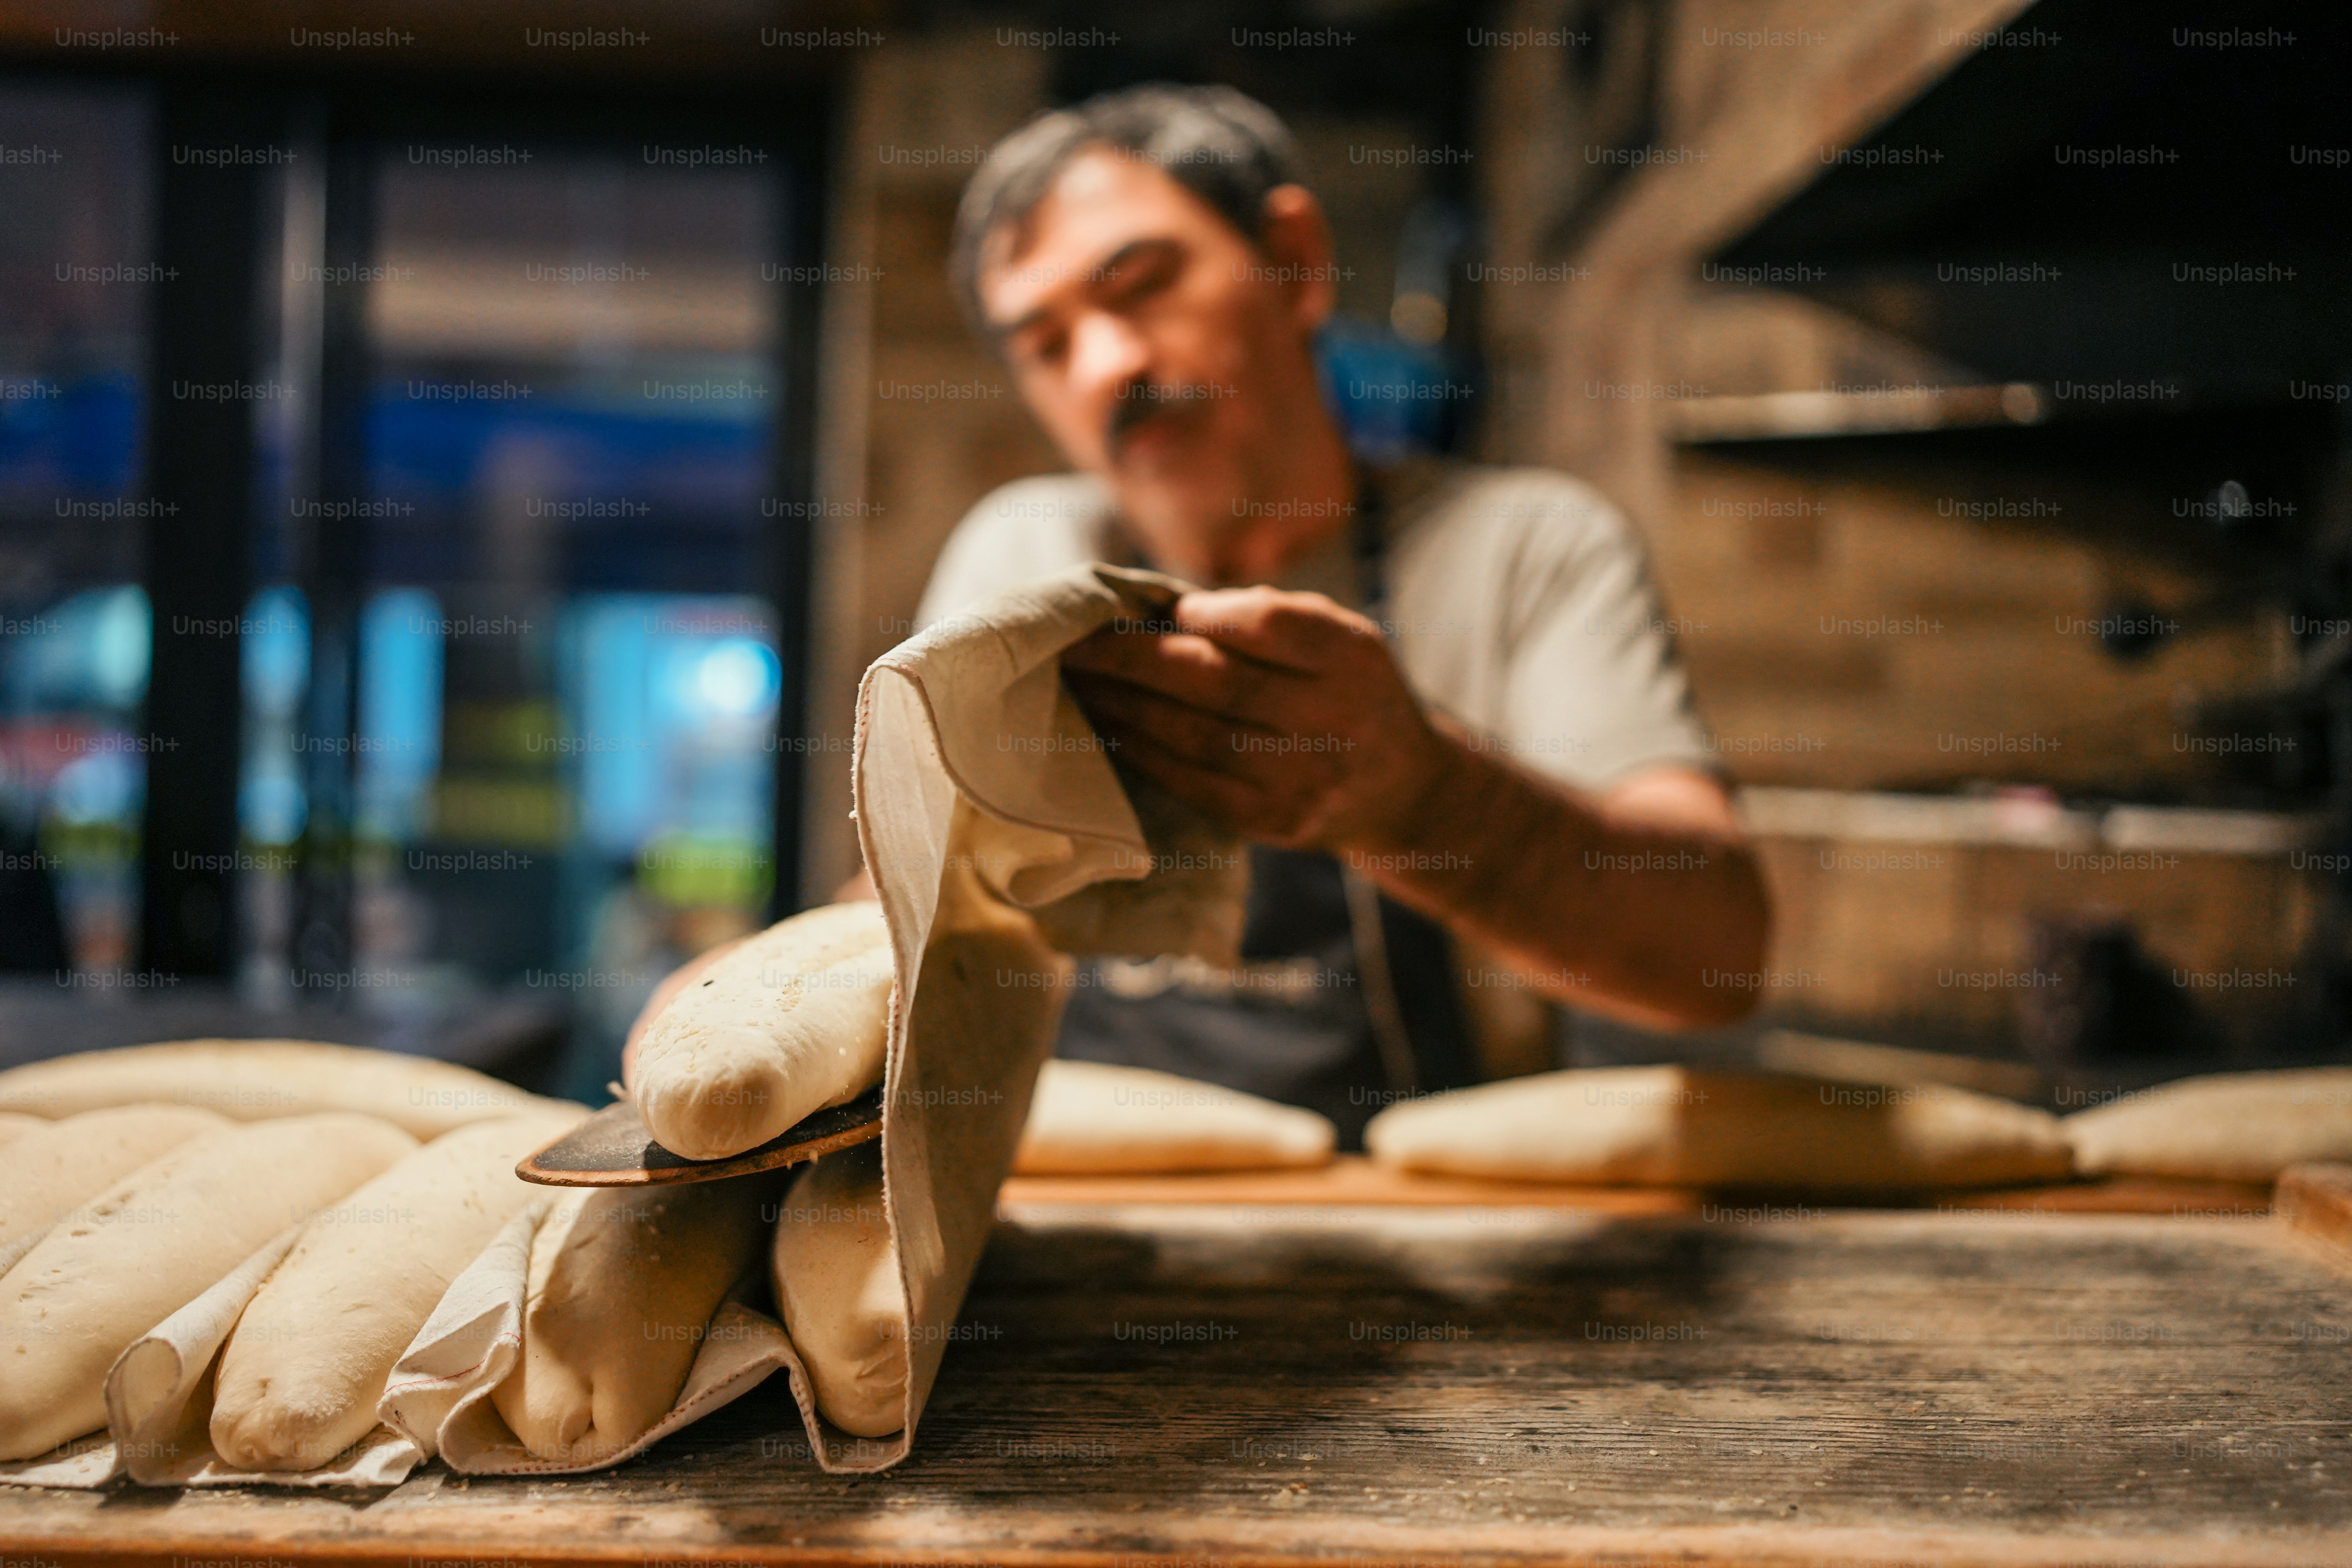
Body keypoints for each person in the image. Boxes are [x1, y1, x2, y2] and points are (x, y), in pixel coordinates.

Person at [898, 83, 1770, 1145]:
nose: (1107, 365)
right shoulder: (1020, 554)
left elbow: (1715, 960)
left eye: (1142, 286)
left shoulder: (1528, 550)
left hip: (1430, 1215)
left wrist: (1425, 801)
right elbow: (903, 912)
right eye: (1045, 345)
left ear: (1295, 262)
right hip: (1084, 1197)